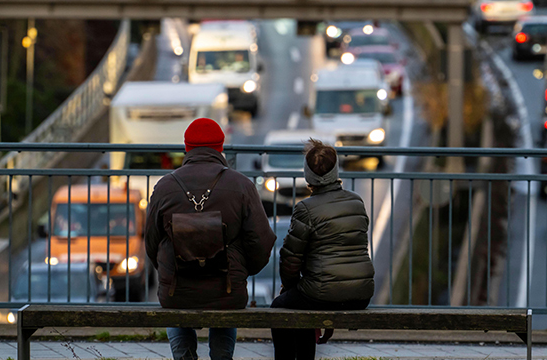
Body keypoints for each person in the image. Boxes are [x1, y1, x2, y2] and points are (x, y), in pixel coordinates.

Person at [145, 118, 276, 360]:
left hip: (177, 290)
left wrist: (169, 269)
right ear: (220, 148)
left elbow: (151, 242)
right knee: (225, 304)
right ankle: (222, 356)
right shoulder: (242, 185)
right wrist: (241, 271)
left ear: (186, 148)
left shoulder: (164, 188)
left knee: (177, 308)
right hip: (227, 289)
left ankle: (183, 356)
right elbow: (261, 242)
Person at [271, 138, 375, 360]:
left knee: (280, 309)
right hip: (362, 293)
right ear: (335, 171)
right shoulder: (357, 202)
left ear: (308, 176)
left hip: (321, 293)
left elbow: (290, 260)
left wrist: (290, 289)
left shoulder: (305, 209)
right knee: (304, 298)